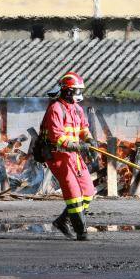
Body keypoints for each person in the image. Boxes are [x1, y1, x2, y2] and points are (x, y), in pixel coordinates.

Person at [41, 72, 96, 241]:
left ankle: (62, 221)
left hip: (74, 156)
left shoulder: (77, 109)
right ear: (67, 91)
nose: (79, 94)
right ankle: (81, 232)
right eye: (77, 91)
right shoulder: (55, 109)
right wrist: (79, 146)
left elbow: (83, 129)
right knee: (73, 192)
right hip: (57, 156)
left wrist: (90, 140)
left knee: (88, 191)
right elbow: (57, 137)